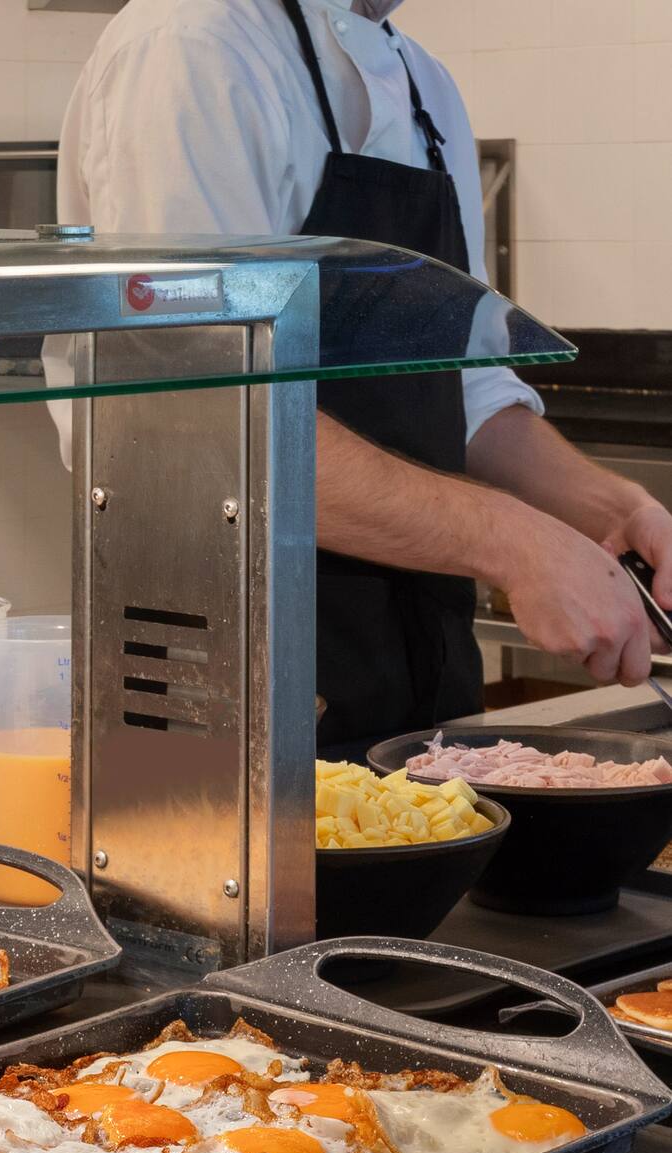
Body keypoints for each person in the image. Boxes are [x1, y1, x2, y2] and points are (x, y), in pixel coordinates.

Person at [56, 0, 672, 752]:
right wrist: (513, 541)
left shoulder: (425, 85)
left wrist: (613, 512)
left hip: (422, 655)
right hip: (237, 658)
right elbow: (204, 417)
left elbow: (465, 384)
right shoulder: (191, 45)